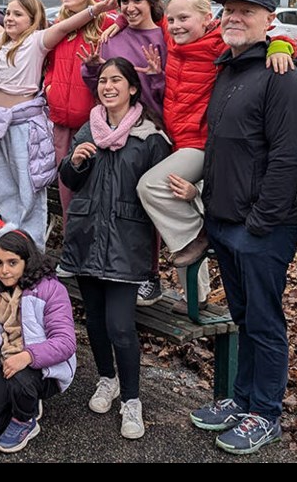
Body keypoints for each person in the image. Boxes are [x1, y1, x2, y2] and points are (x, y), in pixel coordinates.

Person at [188, 0, 297, 456]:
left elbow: (287, 159)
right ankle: (241, 401)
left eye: (246, 11)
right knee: (243, 318)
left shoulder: (283, 77)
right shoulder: (230, 69)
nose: (234, 18)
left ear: (268, 20)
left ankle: (266, 413)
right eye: (228, 11)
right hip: (225, 223)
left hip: (261, 228)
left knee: (264, 322)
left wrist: (259, 223)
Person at [134, 0, 295, 314]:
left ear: (208, 20)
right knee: (178, 202)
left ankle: (200, 235)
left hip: (203, 143)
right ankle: (196, 292)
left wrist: (280, 46)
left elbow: (266, 39)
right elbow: (142, 19)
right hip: (178, 141)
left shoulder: (219, 43)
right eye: (173, 19)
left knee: (151, 187)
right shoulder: (173, 40)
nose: (176, 25)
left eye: (184, 18)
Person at [57, 57, 171, 440]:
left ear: (133, 88)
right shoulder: (88, 128)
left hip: (126, 242)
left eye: (116, 81)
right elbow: (70, 179)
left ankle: (132, 401)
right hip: (87, 238)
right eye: (103, 81)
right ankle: (107, 380)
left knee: (121, 326)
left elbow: (161, 194)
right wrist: (74, 161)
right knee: (93, 321)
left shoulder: (150, 136)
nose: (107, 87)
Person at [0, 0, 102, 252]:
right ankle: (11, 242)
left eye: (19, 14)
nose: (10, 18)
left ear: (32, 19)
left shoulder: (38, 41)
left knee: (29, 187)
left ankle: (33, 249)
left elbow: (67, 24)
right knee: (4, 187)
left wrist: (96, 9)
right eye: (9, 13)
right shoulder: (2, 41)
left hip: (23, 126)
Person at [79, 0, 168, 305]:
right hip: (114, 133)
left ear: (152, 1)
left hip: (147, 134)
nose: (130, 8)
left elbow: (165, 97)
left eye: (138, 0)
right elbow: (102, 88)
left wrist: (157, 78)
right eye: (125, 1)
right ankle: (112, 265)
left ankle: (150, 273)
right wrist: (91, 68)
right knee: (116, 202)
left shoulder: (164, 38)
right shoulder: (111, 36)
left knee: (145, 205)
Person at [0, 222, 77, 454]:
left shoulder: (51, 289)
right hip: (8, 363)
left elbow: (66, 342)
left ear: (27, 261)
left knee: (21, 381)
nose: (5, 270)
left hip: (42, 367)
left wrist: (28, 356)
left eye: (13, 263)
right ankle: (24, 401)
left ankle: (26, 419)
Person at [44, 0, 118, 244]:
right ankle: (73, 245)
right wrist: (49, 87)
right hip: (61, 122)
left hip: (94, 123)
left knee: (96, 188)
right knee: (67, 187)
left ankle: (99, 246)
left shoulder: (108, 25)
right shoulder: (59, 26)